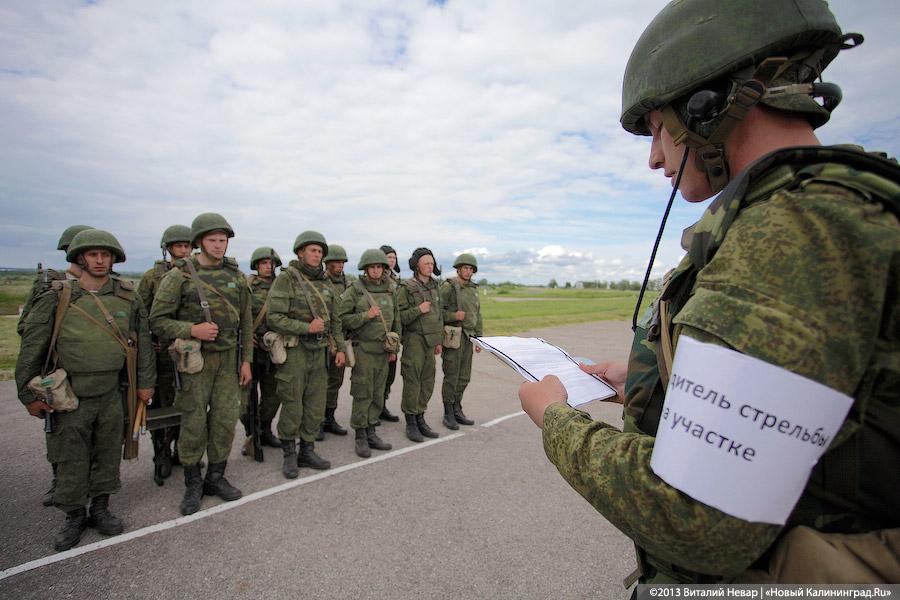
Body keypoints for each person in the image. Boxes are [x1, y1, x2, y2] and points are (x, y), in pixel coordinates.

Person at [519, 0, 899, 586]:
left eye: (654, 129)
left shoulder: (793, 229)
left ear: (707, 108)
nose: (653, 158)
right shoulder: (828, 209)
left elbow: (696, 517)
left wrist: (557, 420)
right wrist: (651, 379)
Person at [15, 229, 155, 551]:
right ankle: (74, 516)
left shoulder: (126, 296)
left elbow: (143, 342)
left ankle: (101, 508)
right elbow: (33, 345)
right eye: (93, 254)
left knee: (107, 452)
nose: (100, 260)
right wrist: (27, 394)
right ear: (80, 258)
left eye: (105, 255)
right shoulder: (59, 294)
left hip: (111, 392)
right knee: (70, 458)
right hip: (70, 396)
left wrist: (146, 383)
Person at [149, 213, 253, 515]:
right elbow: (157, 320)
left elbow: (245, 319)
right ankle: (193, 483)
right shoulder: (179, 276)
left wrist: (246, 359)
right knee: (193, 421)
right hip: (195, 361)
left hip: (229, 360)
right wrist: (190, 330)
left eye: (223, 240)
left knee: (224, 420)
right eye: (212, 240)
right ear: (199, 242)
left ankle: (216, 477)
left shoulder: (235, 276)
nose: (219, 246)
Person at [18, 224, 94, 507]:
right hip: (60, 375)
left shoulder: (105, 284)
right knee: (61, 436)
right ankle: (61, 483)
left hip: (96, 376)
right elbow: (29, 330)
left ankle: (93, 491)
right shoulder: (51, 283)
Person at [267, 231, 346, 479]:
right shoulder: (287, 279)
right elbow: (274, 317)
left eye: (320, 251)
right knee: (292, 402)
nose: (317, 255)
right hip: (295, 351)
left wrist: (340, 348)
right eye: (312, 250)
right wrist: (305, 328)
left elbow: (335, 320)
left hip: (320, 351)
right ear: (300, 252)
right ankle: (289, 453)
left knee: (315, 403)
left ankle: (307, 449)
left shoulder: (326, 283)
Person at [137, 224, 192, 485]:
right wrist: (150, 341)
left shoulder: (198, 275)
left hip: (190, 351)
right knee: (162, 406)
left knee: (188, 403)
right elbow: (142, 315)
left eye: (187, 246)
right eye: (178, 246)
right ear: (168, 248)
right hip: (162, 353)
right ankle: (162, 454)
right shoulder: (152, 277)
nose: (183, 250)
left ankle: (183, 451)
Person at [339, 249, 400, 458]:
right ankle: (360, 434)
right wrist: (366, 315)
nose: (376, 271)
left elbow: (396, 321)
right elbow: (342, 318)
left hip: (383, 351)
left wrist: (394, 348)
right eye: (372, 267)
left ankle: (372, 430)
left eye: (379, 267)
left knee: (377, 393)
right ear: (365, 269)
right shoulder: (355, 290)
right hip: (363, 349)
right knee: (362, 393)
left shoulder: (391, 289)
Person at [240, 247, 284, 454]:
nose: (269, 267)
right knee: (245, 398)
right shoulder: (247, 286)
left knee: (273, 394)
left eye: (272, 263)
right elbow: (238, 314)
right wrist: (248, 336)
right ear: (256, 265)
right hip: (251, 349)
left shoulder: (282, 287)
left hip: (274, 348)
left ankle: (265, 428)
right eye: (264, 263)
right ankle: (251, 431)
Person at [398, 247, 443, 442]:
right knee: (412, 381)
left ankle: (420, 417)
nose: (430, 266)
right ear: (417, 265)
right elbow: (399, 317)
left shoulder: (435, 286)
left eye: (432, 263)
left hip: (430, 342)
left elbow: (438, 315)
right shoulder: (406, 287)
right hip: (414, 340)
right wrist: (418, 310)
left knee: (427, 381)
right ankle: (411, 422)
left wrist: (438, 340)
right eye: (426, 263)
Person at [439, 253, 483, 429]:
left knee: (464, 377)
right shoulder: (449, 287)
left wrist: (479, 338)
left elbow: (477, 315)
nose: (468, 271)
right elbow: (437, 312)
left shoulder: (473, 289)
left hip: (469, 338)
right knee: (451, 376)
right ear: (458, 269)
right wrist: (452, 316)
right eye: (465, 267)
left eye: (471, 268)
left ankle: (457, 408)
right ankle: (448, 412)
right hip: (454, 337)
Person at [319, 243, 350, 439]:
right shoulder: (321, 282)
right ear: (327, 263)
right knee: (320, 383)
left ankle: (329, 417)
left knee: (336, 382)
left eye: (342, 262)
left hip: (341, 339)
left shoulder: (348, 284)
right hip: (323, 339)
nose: (339, 265)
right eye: (335, 262)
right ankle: (317, 420)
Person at [378, 244, 402, 423]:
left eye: (394, 257)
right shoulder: (376, 280)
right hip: (378, 334)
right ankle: (373, 408)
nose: (391, 260)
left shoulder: (397, 281)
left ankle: (382, 405)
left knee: (390, 375)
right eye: (388, 257)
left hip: (393, 335)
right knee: (376, 376)